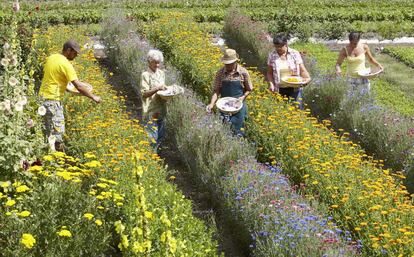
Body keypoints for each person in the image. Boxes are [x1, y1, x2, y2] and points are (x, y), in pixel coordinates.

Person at [39, 40, 101, 152]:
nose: (76, 55)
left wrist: (65, 87)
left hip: (42, 100)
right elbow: (79, 86)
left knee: (47, 132)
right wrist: (93, 97)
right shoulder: (66, 64)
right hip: (53, 101)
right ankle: (57, 161)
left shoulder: (52, 57)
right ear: (68, 50)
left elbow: (54, 78)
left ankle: (47, 158)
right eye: (75, 52)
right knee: (58, 134)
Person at [206, 49, 253, 136]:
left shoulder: (243, 72)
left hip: (239, 107)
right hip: (224, 107)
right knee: (224, 131)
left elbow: (249, 89)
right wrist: (212, 104)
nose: (228, 66)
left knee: (238, 131)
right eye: (226, 64)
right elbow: (216, 91)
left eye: (230, 64)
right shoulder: (220, 73)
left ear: (235, 62)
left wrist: (242, 98)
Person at [267, 33, 311, 109]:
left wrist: (307, 78)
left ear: (286, 44)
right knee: (280, 111)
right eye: (276, 47)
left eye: (280, 46)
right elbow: (269, 73)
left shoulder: (295, 53)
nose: (278, 49)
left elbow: (302, 69)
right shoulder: (272, 55)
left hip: (294, 88)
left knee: (297, 110)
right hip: (279, 89)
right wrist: (271, 84)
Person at [335, 32, 383, 97]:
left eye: (355, 43)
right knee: (350, 100)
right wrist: (338, 70)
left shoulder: (364, 47)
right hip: (350, 79)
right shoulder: (345, 50)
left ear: (359, 40)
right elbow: (338, 64)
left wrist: (378, 65)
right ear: (349, 40)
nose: (353, 45)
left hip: (363, 78)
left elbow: (371, 59)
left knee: (365, 99)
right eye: (351, 43)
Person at [140, 49, 167, 148]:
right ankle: (151, 158)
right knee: (152, 138)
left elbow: (162, 90)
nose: (157, 65)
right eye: (155, 62)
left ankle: (157, 158)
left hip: (161, 108)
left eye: (158, 63)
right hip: (150, 110)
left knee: (160, 136)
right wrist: (157, 88)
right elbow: (144, 94)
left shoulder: (161, 73)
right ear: (149, 62)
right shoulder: (145, 75)